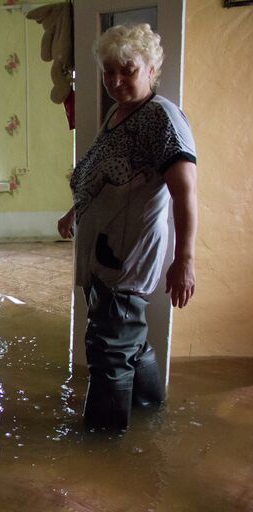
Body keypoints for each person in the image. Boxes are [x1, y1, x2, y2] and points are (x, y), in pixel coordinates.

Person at [58, 24, 198, 430]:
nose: (115, 81)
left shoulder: (161, 118)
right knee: (126, 339)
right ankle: (150, 413)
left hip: (127, 252)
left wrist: (185, 258)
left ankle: (104, 447)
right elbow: (100, 176)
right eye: (108, 72)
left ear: (151, 69)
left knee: (109, 347)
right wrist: (74, 213)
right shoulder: (119, 114)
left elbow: (185, 192)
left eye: (127, 70)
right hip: (105, 245)